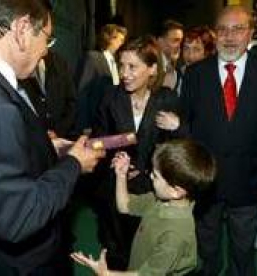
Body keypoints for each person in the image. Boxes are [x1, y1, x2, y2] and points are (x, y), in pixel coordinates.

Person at [0, 1, 105, 275]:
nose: (45, 52)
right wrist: (75, 163)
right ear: (22, 29)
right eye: (47, 39)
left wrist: (41, 144)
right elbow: (19, 217)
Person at [156, 5, 257, 276]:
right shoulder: (196, 74)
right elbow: (186, 123)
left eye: (238, 29)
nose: (230, 36)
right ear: (215, 33)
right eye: (223, 29)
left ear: (251, 33)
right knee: (206, 247)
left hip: (251, 181)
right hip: (204, 179)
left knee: (242, 251)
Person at [90, 35, 181, 269]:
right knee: (116, 250)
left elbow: (176, 149)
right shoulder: (110, 96)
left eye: (132, 67)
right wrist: (117, 161)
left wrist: (178, 127)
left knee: (147, 250)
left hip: (153, 191)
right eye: (121, 65)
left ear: (152, 69)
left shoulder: (167, 98)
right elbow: (98, 141)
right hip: (114, 185)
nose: (124, 73)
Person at [71, 138, 217, 276]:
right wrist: (121, 175)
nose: (151, 177)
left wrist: (106, 273)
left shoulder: (174, 235)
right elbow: (125, 206)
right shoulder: (161, 200)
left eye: (156, 175)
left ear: (176, 191)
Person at [75, 23, 127, 133]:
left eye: (123, 40)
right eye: (120, 39)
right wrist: (84, 125)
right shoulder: (93, 58)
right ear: (109, 38)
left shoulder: (118, 64)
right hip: (93, 124)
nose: (122, 43)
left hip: (111, 124)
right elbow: (82, 93)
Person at [19, 49, 78, 139]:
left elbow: (71, 102)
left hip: (62, 137)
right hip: (34, 140)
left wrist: (58, 131)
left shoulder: (59, 62)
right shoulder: (18, 64)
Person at [156, 19, 184, 94]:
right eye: (175, 41)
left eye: (180, 42)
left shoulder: (179, 67)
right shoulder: (151, 66)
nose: (179, 46)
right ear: (160, 42)